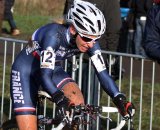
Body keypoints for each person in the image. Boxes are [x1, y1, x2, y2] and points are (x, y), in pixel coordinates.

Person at [10, 0, 135, 130]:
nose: (91, 44)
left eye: (96, 39)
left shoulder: (90, 42)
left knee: (77, 103)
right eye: (87, 38)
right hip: (24, 72)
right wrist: (59, 99)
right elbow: (44, 76)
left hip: (53, 69)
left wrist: (119, 98)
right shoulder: (53, 36)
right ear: (73, 29)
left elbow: (102, 73)